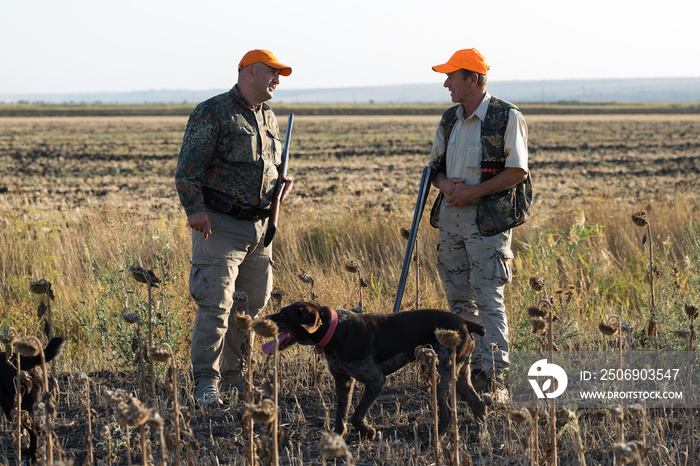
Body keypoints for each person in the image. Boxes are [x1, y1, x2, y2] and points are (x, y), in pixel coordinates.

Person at [175, 49, 294, 405]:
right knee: (216, 305)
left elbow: (264, 167)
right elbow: (187, 170)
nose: (277, 80)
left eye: (279, 76)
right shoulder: (213, 112)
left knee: (249, 306)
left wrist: (279, 187)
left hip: (260, 228)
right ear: (250, 72)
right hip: (220, 226)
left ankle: (235, 379)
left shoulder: (269, 117)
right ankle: (205, 383)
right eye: (273, 73)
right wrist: (195, 210)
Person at [428, 48, 530, 404]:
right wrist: (447, 188)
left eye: (451, 77)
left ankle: (496, 380)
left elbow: (517, 171)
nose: (446, 83)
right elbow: (433, 169)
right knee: (458, 303)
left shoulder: (506, 116)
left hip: (487, 225)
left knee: (489, 301)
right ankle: (467, 378)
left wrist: (473, 192)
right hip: (452, 221)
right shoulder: (449, 119)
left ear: (472, 78)